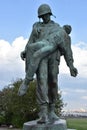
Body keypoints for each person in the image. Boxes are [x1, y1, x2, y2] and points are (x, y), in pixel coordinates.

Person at [18, 4, 78, 123]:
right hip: (41, 57)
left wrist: (71, 66)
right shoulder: (36, 27)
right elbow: (31, 41)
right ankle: (43, 113)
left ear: (50, 14)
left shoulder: (58, 29)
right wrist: (26, 50)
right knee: (42, 81)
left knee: (53, 82)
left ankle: (51, 110)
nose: (44, 17)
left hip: (53, 57)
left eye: (46, 15)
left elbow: (67, 50)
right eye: (42, 16)